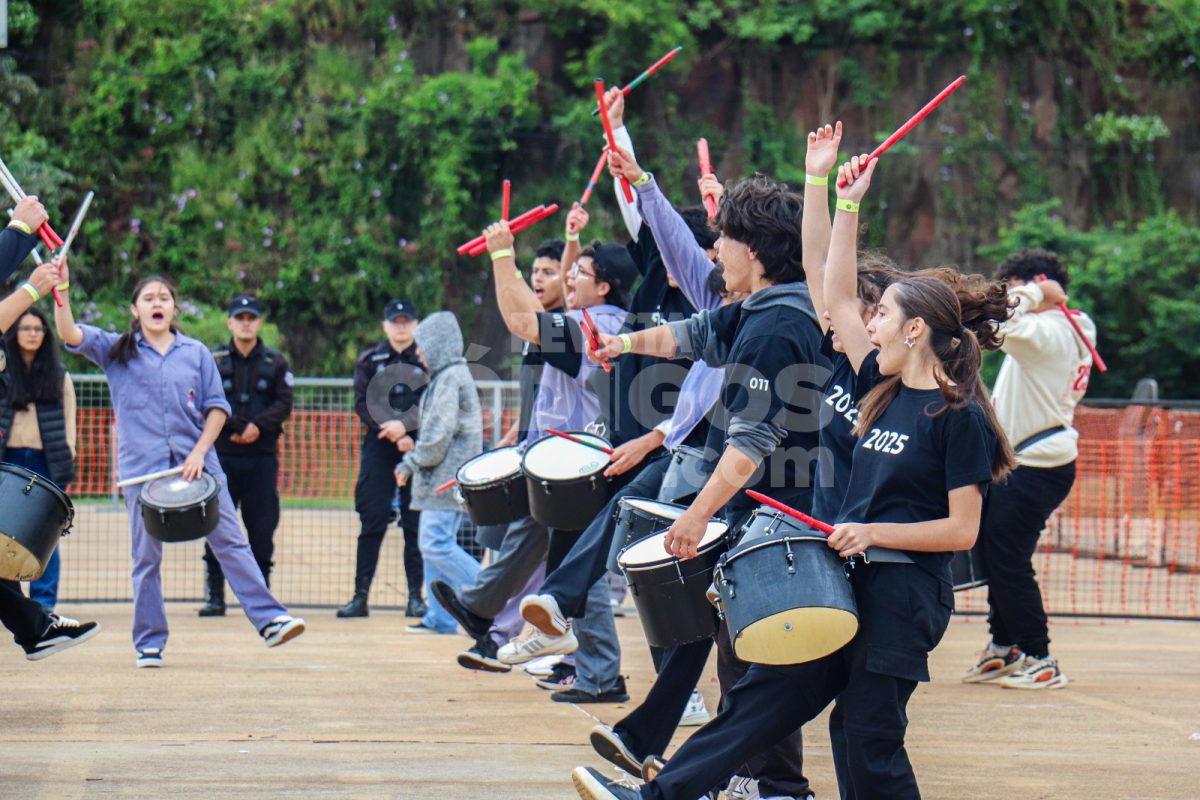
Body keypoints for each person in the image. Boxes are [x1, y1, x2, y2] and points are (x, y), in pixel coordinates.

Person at [570, 153, 1016, 800]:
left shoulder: (958, 418)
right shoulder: (878, 389)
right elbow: (828, 286)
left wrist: (872, 533)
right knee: (765, 696)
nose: (865, 323)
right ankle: (655, 795)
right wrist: (835, 194)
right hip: (848, 578)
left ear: (915, 330)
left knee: (865, 736)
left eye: (882, 317)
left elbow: (961, 531)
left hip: (902, 594)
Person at [582, 172, 826, 800]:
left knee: (754, 657)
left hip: (782, 510)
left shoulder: (777, 326)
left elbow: (751, 442)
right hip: (767, 508)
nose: (714, 251)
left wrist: (694, 519)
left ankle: (760, 781)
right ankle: (756, 779)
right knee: (741, 651)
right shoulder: (760, 309)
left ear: (757, 249)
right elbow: (694, 336)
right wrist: (623, 343)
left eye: (723, 240)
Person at [432, 214, 639, 704]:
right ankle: (481, 607)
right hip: (566, 462)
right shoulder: (603, 320)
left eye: (580, 272)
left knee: (573, 576)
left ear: (605, 286)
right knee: (544, 548)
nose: (569, 278)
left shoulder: (589, 326)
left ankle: (600, 674)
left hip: (574, 467)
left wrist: (503, 254)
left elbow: (521, 320)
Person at [54, 265, 304, 667]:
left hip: (199, 467)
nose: (157, 303)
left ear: (173, 309)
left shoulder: (196, 353)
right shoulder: (117, 349)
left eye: (164, 298)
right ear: (135, 310)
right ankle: (149, 643)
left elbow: (217, 409)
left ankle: (270, 619)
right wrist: (60, 289)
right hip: (143, 473)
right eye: (148, 298)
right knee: (146, 558)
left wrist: (200, 452)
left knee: (231, 542)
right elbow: (68, 332)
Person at [961, 248, 1094, 690]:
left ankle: (1039, 655)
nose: (1005, 297)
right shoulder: (1073, 325)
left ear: (1035, 283)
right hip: (1034, 461)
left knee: (1009, 560)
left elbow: (1001, 321)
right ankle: (1004, 647)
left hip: (1035, 464)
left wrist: (1035, 292)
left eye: (1011, 288)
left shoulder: (1047, 330)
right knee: (1001, 557)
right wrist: (1039, 294)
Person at [457, 239, 565, 671]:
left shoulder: (563, 330)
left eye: (549, 271)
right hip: (529, 449)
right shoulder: (533, 335)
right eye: (534, 271)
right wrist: (513, 435)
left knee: (545, 557)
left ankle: (509, 635)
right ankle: (503, 634)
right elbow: (537, 398)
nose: (538, 278)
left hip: (561, 459)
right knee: (516, 547)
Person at [0, 242, 99, 661]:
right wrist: (21, 232)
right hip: (11, 458)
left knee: (33, 545)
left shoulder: (56, 375)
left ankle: (38, 622)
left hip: (39, 462)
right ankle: (36, 626)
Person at [197, 294, 294, 616]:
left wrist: (255, 426)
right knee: (216, 526)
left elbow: (283, 403)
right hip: (221, 456)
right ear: (230, 322)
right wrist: (236, 426)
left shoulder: (276, 362)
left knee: (262, 527)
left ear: (259, 322)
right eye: (240, 317)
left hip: (262, 457)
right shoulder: (214, 360)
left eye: (252, 317)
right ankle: (215, 595)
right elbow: (205, 400)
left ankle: (262, 594)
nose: (246, 323)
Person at [393, 311, 483, 634]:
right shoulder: (448, 377)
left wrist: (411, 463)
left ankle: (492, 593)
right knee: (433, 549)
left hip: (443, 479)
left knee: (435, 543)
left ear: (438, 345)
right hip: (439, 481)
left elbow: (435, 437)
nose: (418, 352)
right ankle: (441, 618)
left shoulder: (450, 379)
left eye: (422, 345)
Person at [339, 300, 427, 619]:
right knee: (372, 520)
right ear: (385, 326)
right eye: (395, 321)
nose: (401, 326)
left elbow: (432, 401)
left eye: (407, 321)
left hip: (417, 448)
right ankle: (360, 596)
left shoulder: (426, 359)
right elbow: (364, 402)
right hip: (379, 446)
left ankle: (416, 598)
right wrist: (392, 430)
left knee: (414, 525)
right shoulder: (369, 360)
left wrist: (407, 428)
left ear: (416, 325)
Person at [0, 305, 76, 610]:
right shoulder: (5, 373)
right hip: (9, 461)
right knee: (4, 538)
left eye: (38, 329)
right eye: (26, 328)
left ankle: (43, 604)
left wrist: (67, 457)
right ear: (14, 333)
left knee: (44, 539)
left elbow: (70, 422)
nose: (33, 334)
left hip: (46, 464)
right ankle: (13, 606)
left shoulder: (59, 376)